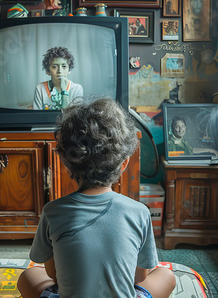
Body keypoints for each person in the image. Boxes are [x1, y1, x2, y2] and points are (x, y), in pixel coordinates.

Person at [17, 96, 176, 298]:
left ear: (67, 162)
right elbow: (139, 277)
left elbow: (53, 275)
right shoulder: (140, 212)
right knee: (165, 275)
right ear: (124, 163)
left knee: (29, 275)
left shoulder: (52, 212)